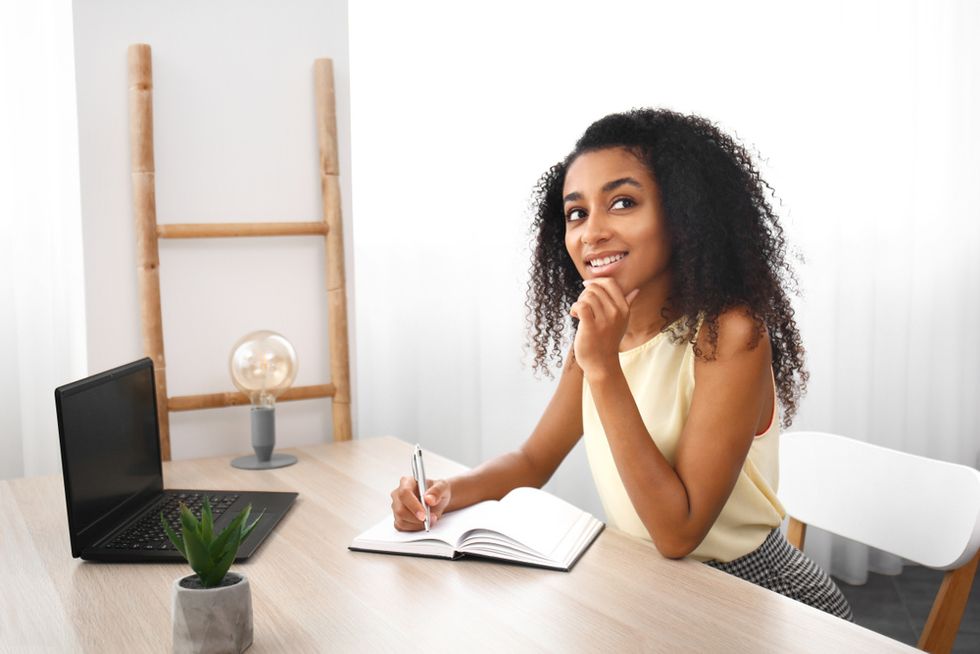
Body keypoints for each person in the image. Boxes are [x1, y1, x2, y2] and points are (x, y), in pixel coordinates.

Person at [389, 108, 853, 621]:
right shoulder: (600, 338)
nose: (591, 232)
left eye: (623, 203)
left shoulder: (731, 334)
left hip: (755, 596)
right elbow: (532, 461)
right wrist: (444, 494)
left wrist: (604, 368)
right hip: (656, 589)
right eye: (577, 213)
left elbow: (679, 532)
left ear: (684, 216)